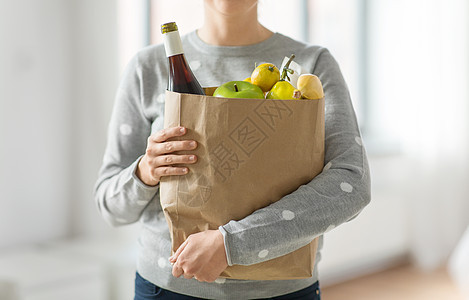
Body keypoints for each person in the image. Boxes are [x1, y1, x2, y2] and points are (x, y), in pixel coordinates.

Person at [94, 0, 371, 299]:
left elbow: (351, 184)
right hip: (168, 287)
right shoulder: (146, 67)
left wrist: (232, 244)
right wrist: (145, 170)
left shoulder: (311, 66)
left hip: (281, 291)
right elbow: (109, 207)